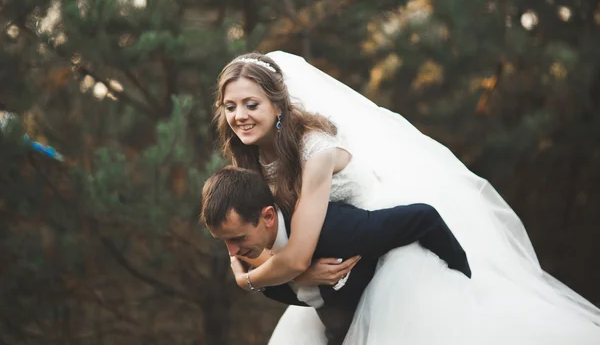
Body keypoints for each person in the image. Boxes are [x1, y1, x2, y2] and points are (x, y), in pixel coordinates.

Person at [213, 51, 600, 344]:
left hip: (389, 244)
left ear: (278, 105)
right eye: (231, 107)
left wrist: (257, 279)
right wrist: (294, 274)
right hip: (332, 261)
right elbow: (249, 248)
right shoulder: (251, 162)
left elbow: (287, 257)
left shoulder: (314, 147)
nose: (240, 116)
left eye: (252, 104)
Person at [201, 166, 471, 344]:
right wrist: (300, 276)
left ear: (268, 217)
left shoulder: (336, 231)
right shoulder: (254, 257)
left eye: (237, 238)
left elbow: (425, 217)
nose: (232, 252)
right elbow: (278, 278)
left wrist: (463, 285)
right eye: (224, 241)